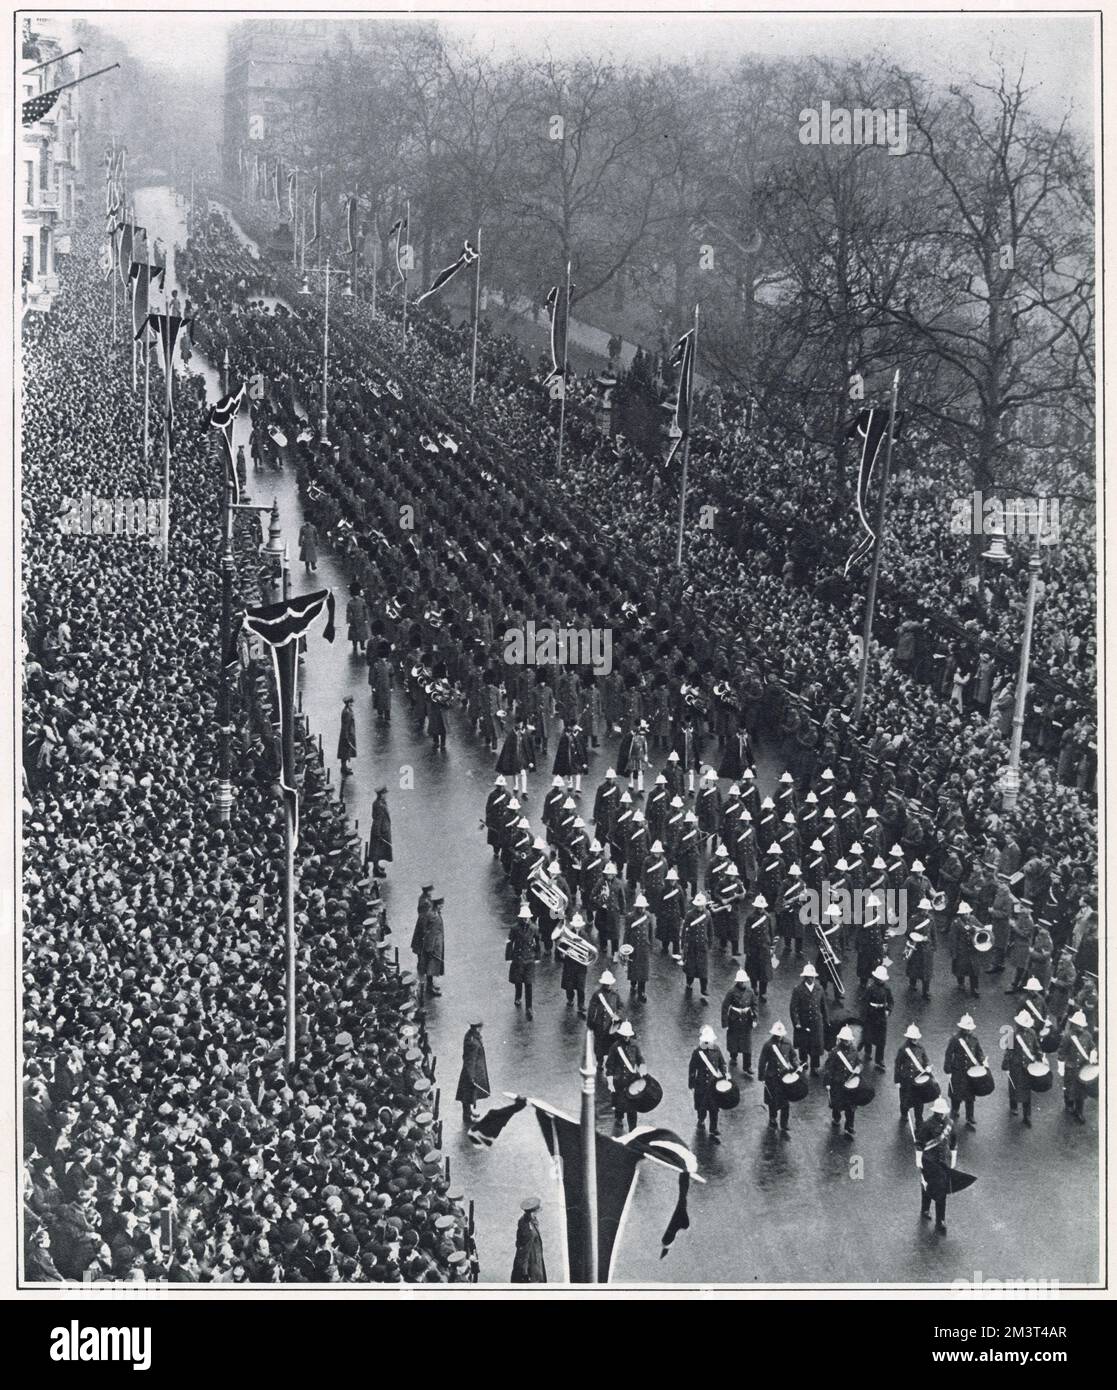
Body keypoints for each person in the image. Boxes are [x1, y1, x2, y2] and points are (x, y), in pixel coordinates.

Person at [914, 1097, 957, 1234]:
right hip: (929, 1161)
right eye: (939, 1112)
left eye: (943, 1112)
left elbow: (953, 1141)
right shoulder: (927, 1125)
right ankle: (925, 1208)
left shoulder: (950, 1123)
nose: (941, 1114)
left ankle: (940, 1220)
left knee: (942, 1192)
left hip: (943, 1162)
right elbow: (920, 1143)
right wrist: (918, 1159)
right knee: (927, 1186)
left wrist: (954, 1158)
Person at [944, 1014, 988, 1130]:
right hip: (958, 1071)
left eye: (970, 1028)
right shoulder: (955, 1039)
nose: (968, 1030)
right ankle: (955, 1110)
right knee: (956, 1094)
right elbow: (949, 1054)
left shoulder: (974, 1039)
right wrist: (947, 1069)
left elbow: (979, 1052)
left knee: (970, 1096)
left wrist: (982, 1060)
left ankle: (970, 1116)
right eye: (966, 1028)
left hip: (970, 1071)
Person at [758, 1020, 801, 1135]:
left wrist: (797, 1066)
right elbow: (762, 1061)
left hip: (784, 1076)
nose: (779, 1037)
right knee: (772, 1100)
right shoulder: (768, 1045)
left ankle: (784, 1123)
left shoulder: (788, 1043)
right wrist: (761, 1076)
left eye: (780, 1035)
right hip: (772, 1077)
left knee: (785, 1102)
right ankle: (773, 1117)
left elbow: (793, 1057)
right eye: (777, 1035)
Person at [688, 1025, 728, 1143]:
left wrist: (724, 1074)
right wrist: (691, 1083)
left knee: (714, 1108)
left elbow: (722, 1064)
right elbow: (692, 1068)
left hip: (713, 1084)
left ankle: (713, 1128)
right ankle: (701, 1120)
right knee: (702, 1106)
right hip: (701, 1084)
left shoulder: (717, 1050)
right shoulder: (697, 1052)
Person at [1057, 1010, 1097, 1124]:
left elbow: (1092, 1047)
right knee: (1069, 1088)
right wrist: (1060, 1066)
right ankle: (1068, 1103)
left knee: (1081, 1092)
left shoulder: (1087, 1036)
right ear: (1074, 1024)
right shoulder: (1068, 1036)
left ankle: (1079, 1111)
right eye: (1077, 1025)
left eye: (1081, 1025)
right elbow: (1062, 1052)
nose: (1079, 1027)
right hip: (1071, 1067)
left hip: (1082, 1068)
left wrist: (1093, 1054)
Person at [789, 962, 828, 1075]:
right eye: (809, 977)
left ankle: (815, 1066)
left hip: (816, 1022)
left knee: (816, 1044)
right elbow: (793, 1008)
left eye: (813, 977)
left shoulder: (819, 988)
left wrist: (826, 1020)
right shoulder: (798, 989)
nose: (811, 979)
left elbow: (823, 1006)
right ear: (805, 977)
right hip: (804, 1021)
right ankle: (804, 1061)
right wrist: (796, 1022)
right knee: (804, 1044)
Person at [1003, 1008, 1040, 1127]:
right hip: (1016, 1066)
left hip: (1028, 1066)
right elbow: (1008, 1052)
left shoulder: (1032, 1033)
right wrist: (1006, 1066)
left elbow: (1036, 1047)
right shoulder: (1012, 1036)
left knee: (1027, 1090)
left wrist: (1040, 1058)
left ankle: (1027, 1115)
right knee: (1014, 1087)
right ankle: (1013, 1105)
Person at [606, 1020, 645, 1132]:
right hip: (619, 1081)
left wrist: (642, 1067)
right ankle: (619, 1118)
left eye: (628, 1036)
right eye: (625, 1036)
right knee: (620, 1104)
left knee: (633, 1108)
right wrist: (610, 1082)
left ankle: (633, 1130)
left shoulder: (635, 1046)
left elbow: (640, 1058)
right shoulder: (615, 1047)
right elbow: (610, 1065)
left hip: (632, 1080)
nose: (627, 1038)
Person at [823, 1025, 861, 1137]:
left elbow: (859, 1062)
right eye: (844, 1040)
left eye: (848, 1039)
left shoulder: (854, 1050)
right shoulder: (835, 1052)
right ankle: (836, 1117)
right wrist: (828, 1083)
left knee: (851, 1107)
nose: (846, 1042)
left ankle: (849, 1127)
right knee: (837, 1105)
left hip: (850, 1083)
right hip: (837, 1083)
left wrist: (859, 1067)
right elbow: (828, 1068)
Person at [894, 1023, 934, 1129]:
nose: (915, 1039)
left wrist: (928, 1066)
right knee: (905, 1100)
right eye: (913, 1038)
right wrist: (897, 1081)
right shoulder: (903, 1049)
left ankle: (919, 1121)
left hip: (919, 1079)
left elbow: (925, 1059)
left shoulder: (921, 1047)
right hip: (906, 1080)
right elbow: (898, 1065)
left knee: (919, 1101)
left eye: (916, 1038)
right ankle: (904, 1114)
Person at [720, 968, 757, 1075]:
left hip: (746, 1020)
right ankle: (733, 1056)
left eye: (743, 981)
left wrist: (755, 1019)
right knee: (734, 1041)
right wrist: (725, 1023)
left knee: (747, 1044)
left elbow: (754, 1006)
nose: (742, 983)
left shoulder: (750, 992)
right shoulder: (731, 992)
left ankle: (747, 1066)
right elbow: (725, 1006)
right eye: (740, 981)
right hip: (734, 1020)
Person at [508, 903, 541, 1019]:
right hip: (518, 958)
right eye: (524, 918)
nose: (526, 920)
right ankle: (518, 996)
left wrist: (537, 956)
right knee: (518, 981)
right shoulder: (515, 928)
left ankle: (529, 1007)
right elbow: (510, 942)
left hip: (529, 959)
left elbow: (537, 943)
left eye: (527, 918)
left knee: (528, 984)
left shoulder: (534, 928)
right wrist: (508, 957)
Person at [860, 964, 894, 1071]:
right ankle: (867, 1051)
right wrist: (864, 1015)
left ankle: (879, 1060)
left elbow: (891, 1001)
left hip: (881, 1015)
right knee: (868, 1036)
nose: (881, 981)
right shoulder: (870, 988)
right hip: (871, 1015)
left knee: (881, 1040)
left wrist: (888, 1010)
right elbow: (865, 1002)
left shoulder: (887, 989)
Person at [455, 1022, 489, 1126]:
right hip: (472, 1072)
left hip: (472, 1071)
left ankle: (469, 1111)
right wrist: (471, 1077)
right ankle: (467, 1117)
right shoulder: (473, 1042)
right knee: (467, 1095)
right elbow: (470, 1060)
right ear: (479, 1027)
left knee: (469, 1094)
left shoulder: (470, 1035)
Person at [587, 970, 624, 1067]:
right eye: (606, 984)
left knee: (612, 1045)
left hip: (611, 1026)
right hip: (600, 1025)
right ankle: (599, 1062)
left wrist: (618, 1015)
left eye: (609, 984)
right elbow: (592, 1009)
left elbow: (620, 1006)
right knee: (599, 1045)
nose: (608, 986)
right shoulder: (597, 994)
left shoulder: (616, 995)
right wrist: (591, 1022)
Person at [510, 1197, 546, 1283]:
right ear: (533, 1212)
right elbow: (524, 1249)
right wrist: (524, 1271)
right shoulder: (526, 1225)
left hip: (535, 1264)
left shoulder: (532, 1222)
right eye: (536, 1212)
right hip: (531, 1268)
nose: (537, 1214)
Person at [418, 898, 445, 998]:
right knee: (430, 967)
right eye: (441, 904)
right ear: (437, 905)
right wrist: (430, 948)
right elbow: (430, 932)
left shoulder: (433, 913)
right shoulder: (434, 916)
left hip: (434, 944)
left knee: (431, 966)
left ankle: (430, 985)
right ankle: (429, 988)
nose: (442, 906)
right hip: (432, 946)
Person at [369, 786, 392, 879]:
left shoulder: (381, 803)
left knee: (379, 850)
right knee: (376, 851)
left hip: (383, 830)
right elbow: (377, 819)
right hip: (379, 831)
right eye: (385, 793)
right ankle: (375, 869)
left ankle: (377, 866)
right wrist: (378, 833)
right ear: (381, 794)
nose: (386, 795)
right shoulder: (379, 805)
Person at [337, 696, 356, 779]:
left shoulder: (347, 710)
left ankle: (344, 767)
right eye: (351, 702)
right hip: (346, 735)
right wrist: (346, 738)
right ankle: (344, 768)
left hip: (347, 734)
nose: (352, 704)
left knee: (345, 751)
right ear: (348, 703)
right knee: (344, 752)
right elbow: (346, 725)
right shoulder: (347, 712)